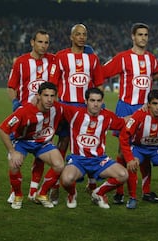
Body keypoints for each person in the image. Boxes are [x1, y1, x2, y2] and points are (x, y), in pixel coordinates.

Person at [102, 22, 158, 205]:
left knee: (146, 149)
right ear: (133, 37)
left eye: (145, 35)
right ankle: (119, 191)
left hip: (146, 110)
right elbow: (103, 73)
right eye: (140, 34)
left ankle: (146, 191)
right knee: (122, 149)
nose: (143, 38)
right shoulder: (122, 58)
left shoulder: (152, 59)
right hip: (126, 107)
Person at [49, 23, 104, 204]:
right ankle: (55, 185)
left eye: (84, 34)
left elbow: (99, 84)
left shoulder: (93, 59)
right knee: (63, 144)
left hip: (85, 108)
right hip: (65, 107)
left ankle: (92, 182)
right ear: (71, 37)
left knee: (88, 144)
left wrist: (99, 104)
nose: (82, 37)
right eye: (78, 34)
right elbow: (53, 83)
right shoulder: (61, 57)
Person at [6, 29, 55, 204]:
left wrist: (85, 49)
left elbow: (68, 58)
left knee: (40, 155)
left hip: (45, 117)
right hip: (24, 116)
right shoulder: (20, 62)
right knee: (15, 158)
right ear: (32, 42)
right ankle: (15, 190)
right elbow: (11, 86)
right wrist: (15, 103)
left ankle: (33, 191)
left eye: (46, 42)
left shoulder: (53, 60)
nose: (43, 46)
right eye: (40, 42)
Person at [0, 82, 64, 209]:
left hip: (42, 143)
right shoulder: (24, 111)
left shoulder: (58, 108)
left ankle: (42, 194)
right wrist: (12, 152)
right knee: (14, 164)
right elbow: (2, 129)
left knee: (59, 165)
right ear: (38, 96)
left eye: (52, 96)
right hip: (22, 142)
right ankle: (17, 196)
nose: (49, 99)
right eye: (46, 95)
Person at [60, 88, 128, 209]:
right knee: (66, 179)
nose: (95, 104)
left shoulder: (107, 116)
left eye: (98, 101)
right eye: (92, 100)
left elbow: (123, 122)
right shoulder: (74, 113)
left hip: (99, 160)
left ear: (102, 102)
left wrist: (143, 112)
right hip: (78, 160)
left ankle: (98, 193)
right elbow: (53, 104)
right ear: (86, 101)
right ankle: (72, 193)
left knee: (123, 175)